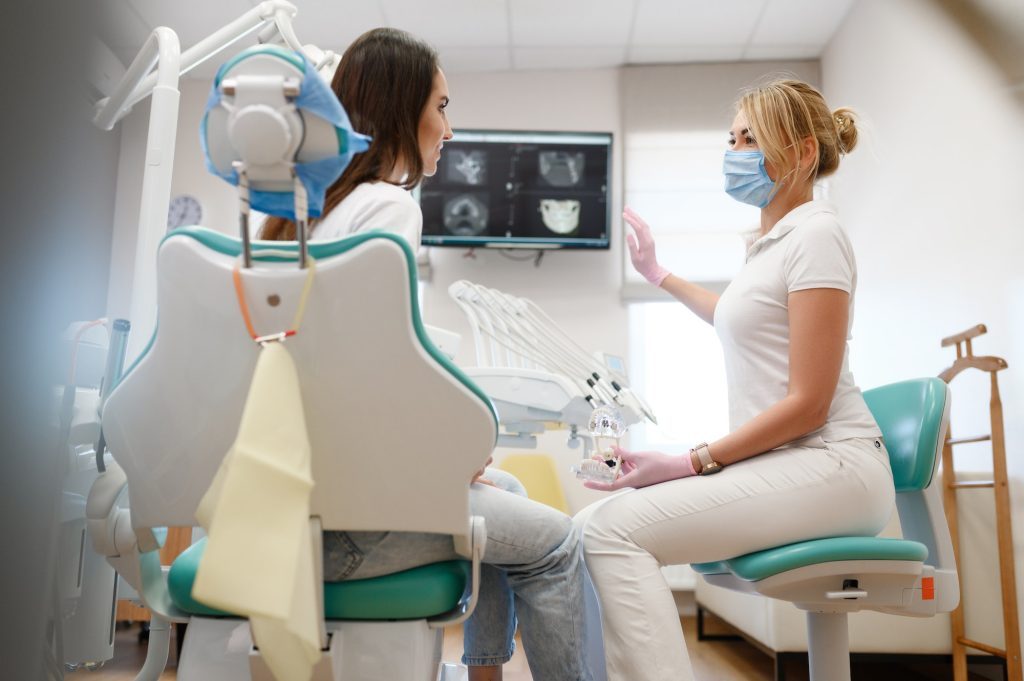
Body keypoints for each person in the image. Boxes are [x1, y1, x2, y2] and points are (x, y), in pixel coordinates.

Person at [261, 28, 597, 681]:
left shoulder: (317, 213)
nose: (449, 126)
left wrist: (444, 457)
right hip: (354, 530)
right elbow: (377, 371)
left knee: (507, 485)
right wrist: (444, 452)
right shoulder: (387, 205)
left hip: (308, 509)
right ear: (401, 107)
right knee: (559, 543)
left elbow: (349, 371)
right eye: (441, 106)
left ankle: (485, 674)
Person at [573, 79, 894, 680]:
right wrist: (657, 272)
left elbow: (809, 406)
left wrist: (691, 460)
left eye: (752, 138)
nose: (737, 150)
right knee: (583, 529)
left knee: (614, 532)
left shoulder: (817, 236)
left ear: (800, 153)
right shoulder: (772, 246)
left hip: (835, 463)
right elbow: (732, 315)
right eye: (734, 137)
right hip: (796, 463)